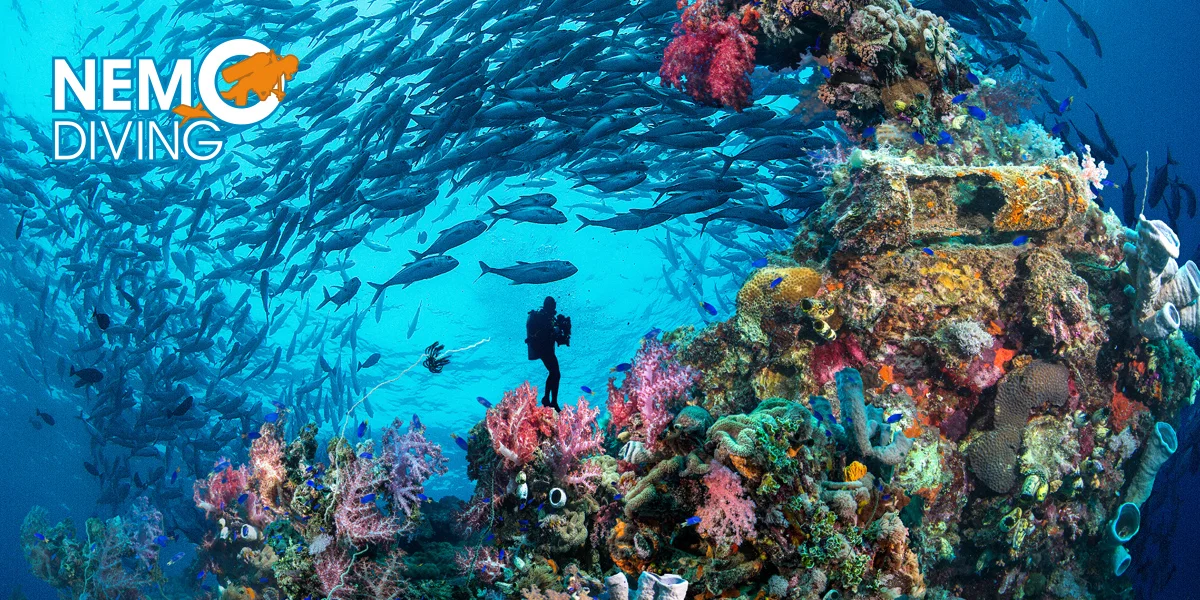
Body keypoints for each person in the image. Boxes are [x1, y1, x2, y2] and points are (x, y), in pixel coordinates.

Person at [526, 296, 571, 411]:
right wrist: (557, 328)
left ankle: (549, 400)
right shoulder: (541, 316)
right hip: (542, 348)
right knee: (555, 372)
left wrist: (565, 331)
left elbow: (560, 340)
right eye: (552, 305)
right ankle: (550, 400)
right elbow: (544, 332)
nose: (554, 307)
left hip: (546, 349)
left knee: (554, 372)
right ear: (548, 305)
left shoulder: (551, 318)